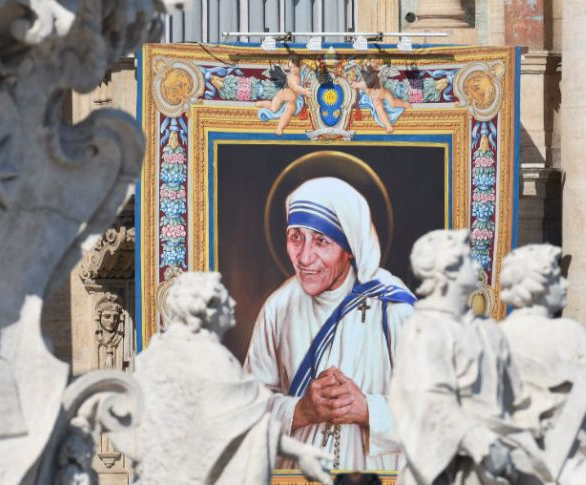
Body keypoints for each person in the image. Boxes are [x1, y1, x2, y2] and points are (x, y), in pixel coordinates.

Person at [244, 177, 416, 471]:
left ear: (349, 247)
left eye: (322, 240)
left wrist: (368, 411)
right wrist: (301, 410)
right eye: (296, 236)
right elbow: (245, 408)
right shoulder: (279, 307)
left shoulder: (394, 307)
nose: (304, 257)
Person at [132, 272, 333, 484]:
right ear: (207, 308)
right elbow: (252, 429)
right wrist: (300, 452)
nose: (233, 302)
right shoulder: (216, 362)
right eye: (224, 298)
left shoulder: (155, 353)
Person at [390, 229, 548, 485]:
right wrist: (480, 443)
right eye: (468, 258)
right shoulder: (424, 329)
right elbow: (428, 401)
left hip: (499, 468)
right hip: (455, 469)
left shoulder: (487, 331)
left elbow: (518, 397)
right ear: (448, 270)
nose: (478, 265)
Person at [499, 244, 586, 485]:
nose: (565, 284)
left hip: (514, 466)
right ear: (538, 286)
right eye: (556, 279)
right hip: (568, 465)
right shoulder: (568, 333)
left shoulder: (495, 335)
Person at [256, 56, 310, 135]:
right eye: (291, 67)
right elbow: (296, 88)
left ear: (299, 66)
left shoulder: (300, 75)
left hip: (292, 100)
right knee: (273, 108)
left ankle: (279, 128)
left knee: (290, 110)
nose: (293, 69)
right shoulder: (291, 78)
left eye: (295, 67)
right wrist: (304, 91)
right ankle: (263, 103)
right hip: (281, 96)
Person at [352, 65, 411, 134]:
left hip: (384, 93)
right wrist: (355, 84)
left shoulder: (373, 77)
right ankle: (388, 125)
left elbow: (366, 84)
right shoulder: (361, 80)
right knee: (379, 109)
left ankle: (404, 104)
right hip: (375, 99)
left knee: (393, 103)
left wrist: (356, 85)